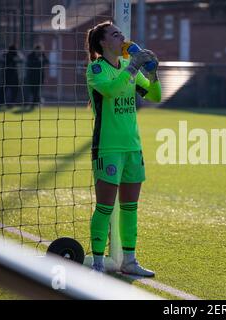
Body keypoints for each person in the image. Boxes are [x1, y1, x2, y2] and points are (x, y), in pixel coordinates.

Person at [85, 20, 161, 276]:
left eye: (122, 34)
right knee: (105, 207)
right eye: (116, 35)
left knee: (130, 207)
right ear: (104, 43)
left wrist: (152, 73)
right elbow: (112, 91)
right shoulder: (96, 68)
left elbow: (154, 96)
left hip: (132, 147)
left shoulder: (130, 67)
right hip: (108, 148)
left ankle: (129, 260)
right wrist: (133, 68)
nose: (122, 38)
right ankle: (97, 264)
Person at [25, 44, 49, 109]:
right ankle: (38, 101)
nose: (39, 51)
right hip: (31, 76)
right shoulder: (30, 55)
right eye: (37, 50)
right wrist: (38, 61)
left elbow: (47, 61)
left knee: (37, 90)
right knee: (32, 90)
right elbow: (29, 64)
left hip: (40, 77)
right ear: (35, 50)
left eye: (40, 50)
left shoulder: (42, 55)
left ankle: (34, 104)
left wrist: (42, 60)